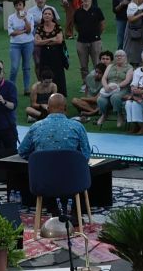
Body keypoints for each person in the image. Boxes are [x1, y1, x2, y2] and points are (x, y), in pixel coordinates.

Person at [17, 93, 92, 235]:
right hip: (73, 181)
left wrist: (42, 159)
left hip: (43, 181)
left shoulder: (36, 127)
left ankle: (54, 211)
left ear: (48, 109)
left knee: (47, 171)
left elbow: (23, 151)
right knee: (79, 170)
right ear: (66, 108)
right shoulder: (77, 127)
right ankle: (76, 213)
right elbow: (86, 156)